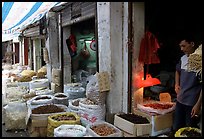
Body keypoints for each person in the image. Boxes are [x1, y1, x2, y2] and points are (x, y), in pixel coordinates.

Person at [173, 35, 202, 132]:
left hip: (192, 103)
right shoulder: (183, 59)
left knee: (190, 130)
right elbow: (177, 71)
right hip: (180, 100)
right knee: (177, 127)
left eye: (184, 46)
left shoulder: (199, 62)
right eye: (180, 46)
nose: (181, 49)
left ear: (192, 44)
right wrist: (176, 84)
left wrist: (198, 105)